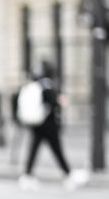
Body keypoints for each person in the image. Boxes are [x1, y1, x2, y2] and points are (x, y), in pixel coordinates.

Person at [17, 61, 85, 191]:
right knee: (57, 150)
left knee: (34, 150)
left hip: (37, 124)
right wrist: (60, 101)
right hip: (49, 124)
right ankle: (68, 175)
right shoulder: (48, 86)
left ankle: (27, 175)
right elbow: (56, 103)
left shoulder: (36, 85)